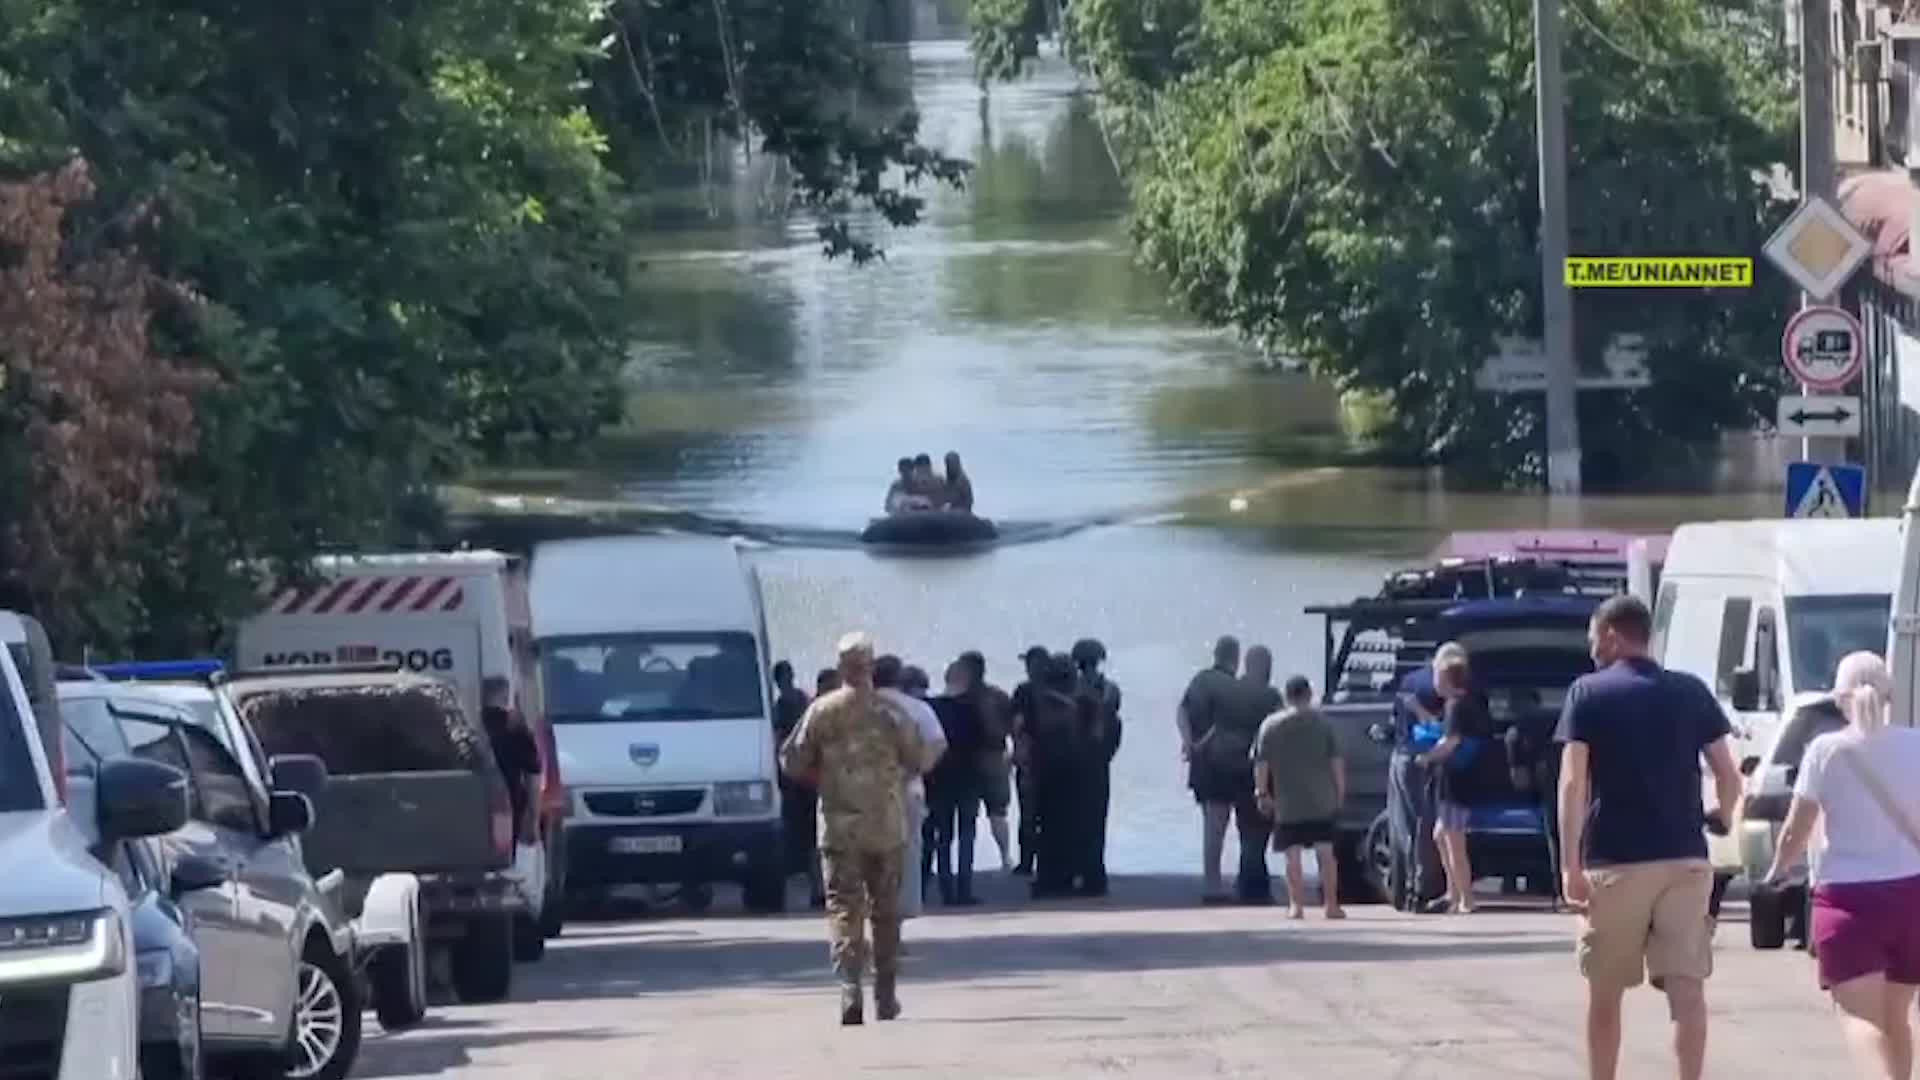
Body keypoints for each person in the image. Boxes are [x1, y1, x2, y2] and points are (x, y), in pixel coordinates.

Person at [1557, 595, 1741, 1080]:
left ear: (1614, 635)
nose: (1591, 647)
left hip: (1617, 859)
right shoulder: (1690, 691)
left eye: (1594, 637)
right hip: (1685, 859)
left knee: (1605, 992)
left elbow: (1574, 783)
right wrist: (1720, 814)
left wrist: (1569, 865)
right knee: (1687, 989)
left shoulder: (1588, 693)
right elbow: (1728, 772)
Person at [1764, 652, 1920, 1080]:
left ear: (1840, 699)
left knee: (1861, 1019)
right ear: (1888, 695)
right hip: (1912, 897)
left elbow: (1797, 829)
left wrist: (1777, 869)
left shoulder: (1824, 750)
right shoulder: (1917, 744)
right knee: (1896, 1019)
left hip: (1849, 900)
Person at [779, 632, 928, 1026]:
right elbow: (920, 758)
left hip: (840, 827)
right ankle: (886, 992)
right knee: (887, 911)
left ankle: (850, 989)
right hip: (887, 826)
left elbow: (792, 762)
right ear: (871, 665)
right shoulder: (893, 712)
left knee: (844, 908)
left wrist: (827, 774)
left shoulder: (822, 711)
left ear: (842, 666)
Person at [1254, 675, 1346, 919]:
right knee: (1326, 853)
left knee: (1291, 854)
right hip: (1322, 799)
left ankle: (1296, 905)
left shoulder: (1270, 726)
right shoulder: (1323, 724)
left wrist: (1262, 793)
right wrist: (1340, 793)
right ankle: (1331, 905)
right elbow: (1336, 763)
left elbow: (1262, 764)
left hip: (1287, 801)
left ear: (1286, 696)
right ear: (1309, 694)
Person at [1178, 635, 1254, 903]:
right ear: (1234, 658)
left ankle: (1212, 879)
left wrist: (1188, 743)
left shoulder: (1199, 680)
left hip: (1201, 766)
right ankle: (1213, 885)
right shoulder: (1231, 687)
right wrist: (1201, 744)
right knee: (1218, 824)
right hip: (1222, 763)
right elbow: (1221, 724)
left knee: (1210, 823)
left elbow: (1182, 711)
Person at [873, 657, 947, 927]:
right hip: (906, 789)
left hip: (862, 790)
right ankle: (899, 918)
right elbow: (938, 743)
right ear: (900, 678)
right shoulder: (916, 708)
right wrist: (917, 769)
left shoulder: (853, 708)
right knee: (907, 852)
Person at [1416, 649, 1491, 914]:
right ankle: (1454, 892)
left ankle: (1466, 898)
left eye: (1437, 675)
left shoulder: (1456, 706)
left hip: (1456, 781)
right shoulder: (1464, 703)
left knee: (1453, 839)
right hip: (1457, 780)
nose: (1433, 680)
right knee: (1440, 834)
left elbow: (1451, 742)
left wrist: (1427, 757)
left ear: (1447, 679)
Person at [1387, 645, 1459, 909]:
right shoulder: (1439, 688)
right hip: (1422, 759)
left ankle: (1404, 891)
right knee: (1423, 824)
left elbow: (1395, 717)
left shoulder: (1410, 680)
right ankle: (1420, 891)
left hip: (1401, 755)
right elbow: (1444, 730)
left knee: (1401, 826)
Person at [1027, 652, 1098, 899]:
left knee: (1047, 825)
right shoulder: (1086, 701)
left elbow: (1032, 733)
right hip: (1077, 770)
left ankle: (1050, 877)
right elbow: (1098, 735)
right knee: (1075, 824)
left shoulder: (1040, 700)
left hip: (1047, 770)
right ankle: (1071, 876)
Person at [928, 660, 987, 905]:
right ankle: (964, 888)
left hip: (939, 777)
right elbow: (982, 741)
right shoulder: (971, 708)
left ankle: (946, 888)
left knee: (943, 835)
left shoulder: (932, 707)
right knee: (966, 834)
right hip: (967, 777)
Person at [1071, 638, 1122, 896]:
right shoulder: (1110, 689)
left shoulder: (1075, 689)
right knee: (1096, 817)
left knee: (1078, 819)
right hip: (1099, 762)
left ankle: (1083, 872)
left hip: (1078, 761)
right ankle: (1095, 874)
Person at [959, 650, 1017, 872]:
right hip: (995, 759)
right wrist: (1013, 757)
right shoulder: (998, 696)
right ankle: (1005, 857)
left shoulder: (958, 696)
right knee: (997, 813)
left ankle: (965, 864)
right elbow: (1014, 729)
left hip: (967, 762)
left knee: (967, 815)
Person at [772, 661, 824, 908]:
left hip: (796, 780)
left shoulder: (783, 706)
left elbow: (781, 743)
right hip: (807, 779)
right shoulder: (804, 701)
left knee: (805, 837)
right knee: (812, 837)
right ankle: (818, 886)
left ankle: (816, 886)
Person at [479, 677, 541, 846]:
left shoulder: (469, 723)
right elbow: (533, 779)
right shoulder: (516, 728)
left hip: (473, 808)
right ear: (507, 696)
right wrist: (533, 818)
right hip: (510, 807)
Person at [1009, 645, 1051, 875]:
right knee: (1051, 812)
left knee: (1028, 813)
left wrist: (1017, 750)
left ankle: (1026, 862)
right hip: (1055, 759)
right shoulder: (1058, 688)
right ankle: (1048, 860)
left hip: (1030, 759)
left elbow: (1016, 724)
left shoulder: (1024, 691)